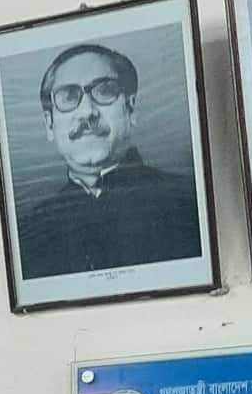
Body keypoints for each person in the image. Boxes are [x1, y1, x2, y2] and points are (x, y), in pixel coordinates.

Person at [17, 42, 203, 279]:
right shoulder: (30, 232)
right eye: (68, 96)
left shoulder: (188, 203)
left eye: (104, 91)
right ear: (49, 124)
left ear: (130, 109)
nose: (87, 112)